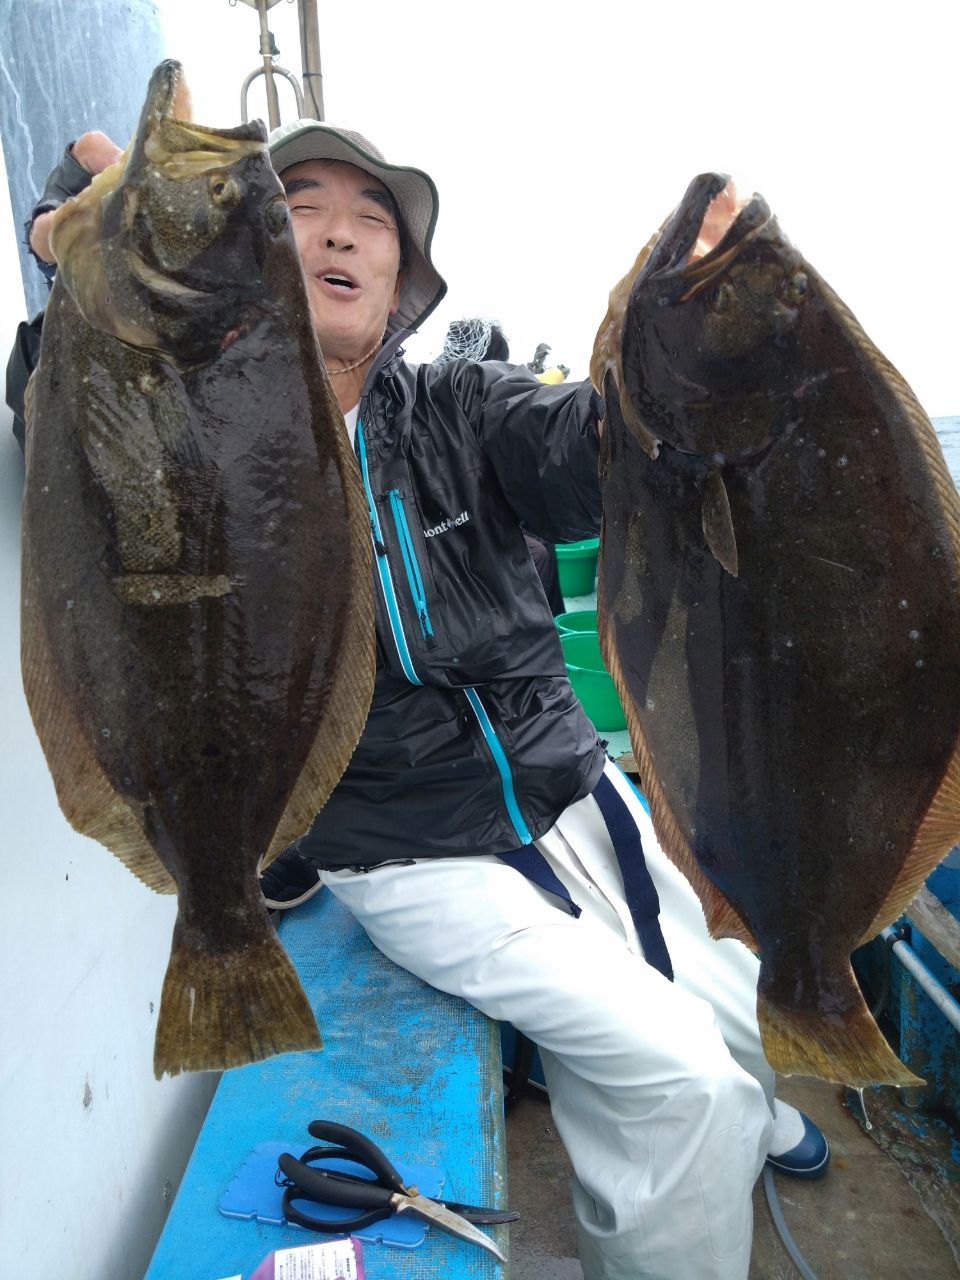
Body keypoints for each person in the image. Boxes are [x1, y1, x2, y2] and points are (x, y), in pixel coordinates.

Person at [18, 118, 829, 1280]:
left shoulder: (458, 406)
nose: (342, 229)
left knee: (753, 1012)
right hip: (408, 849)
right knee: (682, 1084)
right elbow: (56, 399)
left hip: (570, 791)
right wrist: (74, 252)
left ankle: (746, 1113)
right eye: (299, 203)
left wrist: (693, 345)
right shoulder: (180, 412)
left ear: (403, 281)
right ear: (248, 242)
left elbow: (587, 446)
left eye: (376, 218)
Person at [434, 316, 567, 615]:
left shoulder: (471, 398)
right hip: (456, 529)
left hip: (482, 514)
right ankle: (537, 631)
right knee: (539, 555)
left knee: (547, 540)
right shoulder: (455, 406)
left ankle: (555, 631)